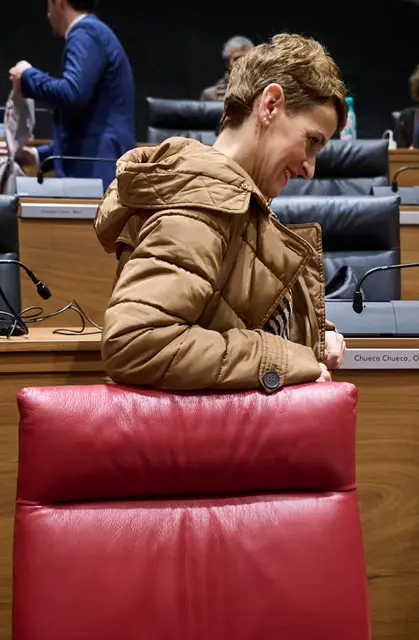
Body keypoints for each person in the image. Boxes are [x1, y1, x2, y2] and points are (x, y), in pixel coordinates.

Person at [93, 33, 348, 392]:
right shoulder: (199, 206)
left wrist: (318, 337)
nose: (310, 168)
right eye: (312, 141)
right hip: (204, 446)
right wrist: (287, 359)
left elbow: (237, 310)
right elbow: (136, 342)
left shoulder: (232, 199)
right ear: (270, 105)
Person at [0, 0, 136, 189]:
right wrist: (38, 156)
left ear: (59, 2)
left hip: (100, 170)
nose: (47, 14)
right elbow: (86, 124)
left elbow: (72, 93)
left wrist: (27, 76)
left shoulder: (85, 32)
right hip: (102, 165)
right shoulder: (95, 32)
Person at [201, 35, 254, 101]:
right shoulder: (211, 95)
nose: (243, 64)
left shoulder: (263, 90)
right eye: (237, 59)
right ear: (227, 63)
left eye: (247, 59)